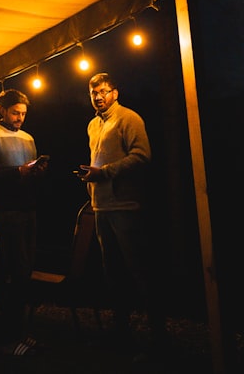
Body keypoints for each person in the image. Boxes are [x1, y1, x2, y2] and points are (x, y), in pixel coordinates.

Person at [75, 72, 169, 356]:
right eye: (94, 92)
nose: (98, 96)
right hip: (102, 207)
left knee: (140, 270)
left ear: (115, 92)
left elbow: (142, 156)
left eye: (103, 91)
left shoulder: (129, 118)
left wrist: (104, 173)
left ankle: (159, 338)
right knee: (113, 274)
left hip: (127, 207)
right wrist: (91, 179)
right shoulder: (93, 125)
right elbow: (99, 162)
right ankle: (123, 334)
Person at [0, 88, 49, 356]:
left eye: (24, 113)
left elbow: (27, 175)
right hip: (5, 211)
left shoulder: (29, 138)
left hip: (29, 208)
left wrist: (36, 172)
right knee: (18, 273)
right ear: (3, 110)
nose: (20, 118)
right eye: (16, 112)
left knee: (23, 272)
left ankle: (18, 334)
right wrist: (18, 171)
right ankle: (7, 339)